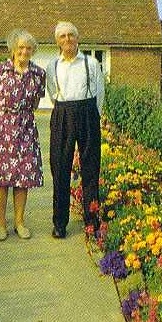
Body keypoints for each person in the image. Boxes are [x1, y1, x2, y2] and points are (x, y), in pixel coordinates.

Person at [0, 29, 46, 240]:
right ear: (13, 49)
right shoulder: (0, 70)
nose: (24, 51)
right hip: (0, 131)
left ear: (33, 51)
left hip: (25, 130)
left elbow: (35, 103)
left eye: (28, 48)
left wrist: (20, 119)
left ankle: (19, 222)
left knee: (22, 177)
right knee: (0, 178)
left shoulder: (38, 74)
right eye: (21, 48)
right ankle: (0, 224)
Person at [45, 21, 105, 238]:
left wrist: (91, 114)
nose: (67, 39)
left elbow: (99, 93)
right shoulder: (52, 66)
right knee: (60, 168)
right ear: (57, 41)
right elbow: (53, 93)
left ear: (77, 38)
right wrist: (65, 111)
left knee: (91, 168)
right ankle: (59, 223)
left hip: (88, 112)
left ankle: (92, 221)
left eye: (71, 35)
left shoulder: (91, 63)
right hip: (63, 114)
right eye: (63, 36)